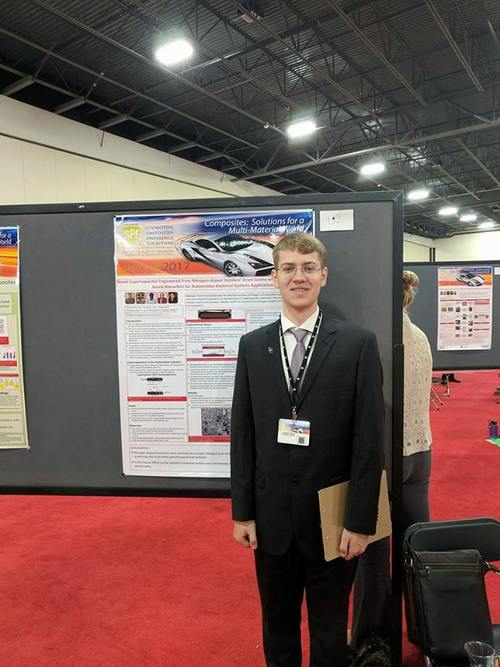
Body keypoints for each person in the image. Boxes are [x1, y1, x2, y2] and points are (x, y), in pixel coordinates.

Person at [230, 232, 385, 667]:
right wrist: (242, 511)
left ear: (323, 275)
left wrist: (360, 520)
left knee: (329, 630)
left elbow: (368, 441)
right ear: (274, 277)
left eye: (308, 268)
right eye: (289, 268)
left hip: (333, 521)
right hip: (272, 518)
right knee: (277, 626)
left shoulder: (357, 344)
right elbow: (242, 434)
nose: (299, 277)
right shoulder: (252, 346)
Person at [401, 270, 432, 529]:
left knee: (371, 554)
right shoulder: (420, 336)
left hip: (391, 451)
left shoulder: (380, 337)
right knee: (415, 539)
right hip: (421, 449)